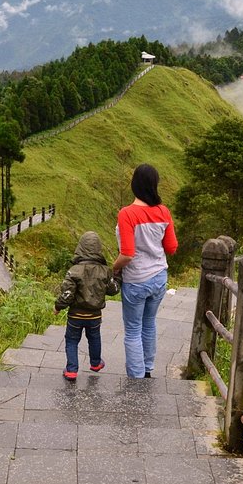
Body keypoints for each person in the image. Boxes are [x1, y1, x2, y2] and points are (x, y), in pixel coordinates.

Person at [112, 163, 178, 378]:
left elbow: (127, 254)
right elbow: (171, 248)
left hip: (137, 280)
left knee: (132, 330)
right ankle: (147, 369)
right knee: (149, 324)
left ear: (134, 185)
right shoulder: (163, 211)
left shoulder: (127, 214)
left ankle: (136, 376)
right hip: (159, 277)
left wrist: (112, 268)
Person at [55, 231, 120, 382]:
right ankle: (96, 363)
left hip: (75, 315)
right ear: (99, 249)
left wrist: (58, 306)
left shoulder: (74, 271)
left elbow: (68, 294)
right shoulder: (105, 271)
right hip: (95, 315)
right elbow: (113, 290)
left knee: (72, 340)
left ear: (80, 248)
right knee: (94, 338)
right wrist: (117, 276)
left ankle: (71, 370)